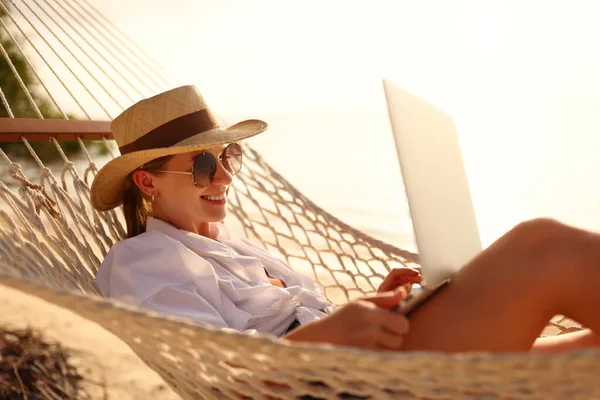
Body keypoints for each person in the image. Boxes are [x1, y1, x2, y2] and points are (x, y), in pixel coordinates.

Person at [91, 85, 600, 353]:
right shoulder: (144, 261)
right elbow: (216, 365)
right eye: (204, 163)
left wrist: (362, 308)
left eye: (230, 157)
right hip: (341, 386)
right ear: (147, 182)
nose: (224, 175)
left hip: (365, 361)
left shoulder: (236, 245)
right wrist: (332, 335)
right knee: (541, 246)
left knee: (587, 356)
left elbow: (296, 323)